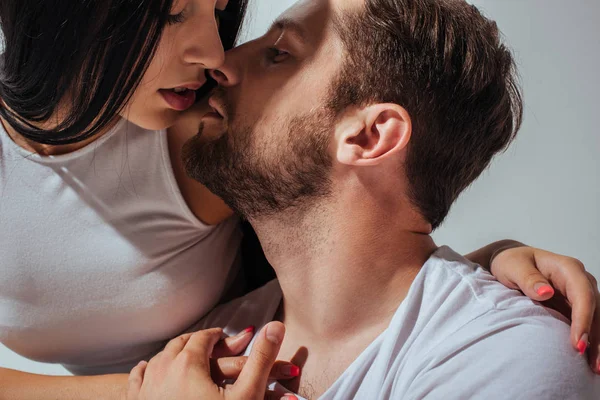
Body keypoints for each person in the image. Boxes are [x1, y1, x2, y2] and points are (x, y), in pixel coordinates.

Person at [0, 0, 598, 398]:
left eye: (278, 54)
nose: (220, 62)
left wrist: (482, 276)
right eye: (176, 12)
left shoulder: (509, 356)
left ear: (369, 135)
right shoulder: (209, 350)